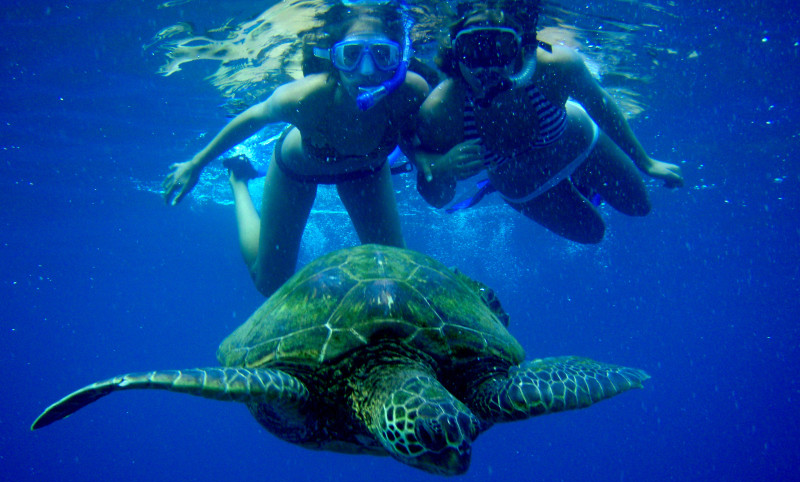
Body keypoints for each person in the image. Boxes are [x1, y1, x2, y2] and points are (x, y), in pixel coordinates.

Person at [162, 2, 429, 296]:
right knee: (270, 284)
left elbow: (418, 136)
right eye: (351, 55)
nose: (366, 71)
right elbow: (252, 117)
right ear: (333, 58)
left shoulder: (412, 93)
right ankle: (239, 182)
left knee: (394, 272)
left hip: (367, 172)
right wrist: (196, 163)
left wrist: (432, 161)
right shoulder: (306, 97)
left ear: (398, 59)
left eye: (382, 55)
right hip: (297, 171)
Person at [413, 2, 683, 244]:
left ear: (521, 45)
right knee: (593, 233)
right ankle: (581, 186)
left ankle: (583, 183)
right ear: (455, 51)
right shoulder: (441, 111)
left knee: (640, 206)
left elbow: (601, 106)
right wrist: (443, 167)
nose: (487, 67)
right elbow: (436, 197)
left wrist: (646, 162)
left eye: (501, 48)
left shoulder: (555, 67)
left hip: (577, 145)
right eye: (473, 50)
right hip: (523, 184)